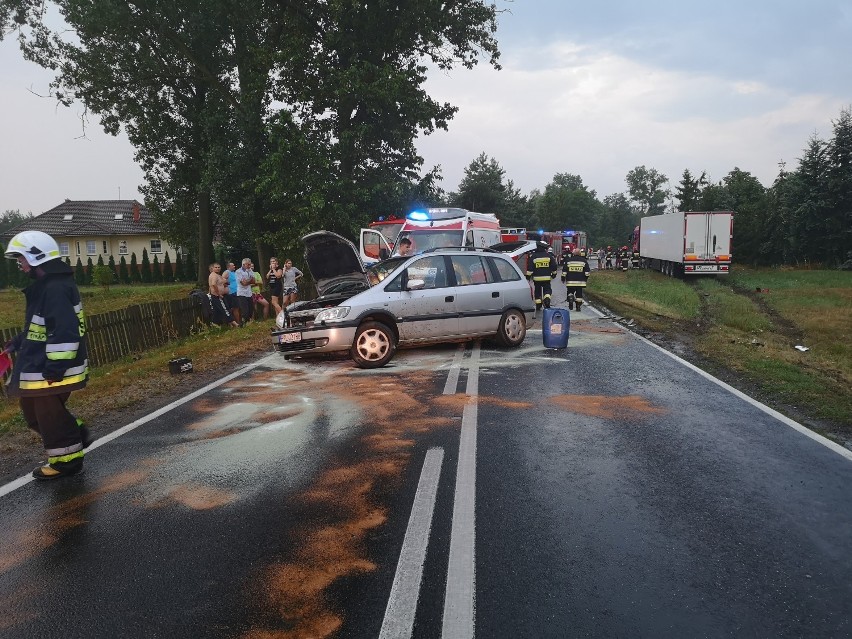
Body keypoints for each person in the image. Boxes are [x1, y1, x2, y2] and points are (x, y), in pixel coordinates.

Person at [3, 231, 92, 479]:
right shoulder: (47, 287)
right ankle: (75, 432)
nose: (19, 264)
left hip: (50, 370)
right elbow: (40, 327)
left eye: (20, 258)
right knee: (33, 413)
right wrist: (18, 342)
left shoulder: (54, 288)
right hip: (40, 366)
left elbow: (65, 331)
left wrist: (55, 368)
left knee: (48, 417)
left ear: (35, 256)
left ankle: (67, 463)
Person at [526, 242, 557, 311]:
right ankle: (547, 299)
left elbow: (530, 268)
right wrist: (554, 273)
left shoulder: (533, 256)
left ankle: (538, 305)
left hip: (537, 279)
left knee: (537, 291)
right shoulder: (548, 256)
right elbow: (554, 266)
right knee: (547, 290)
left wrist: (528, 277)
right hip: (547, 278)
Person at [207, 263, 239, 327]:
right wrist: (219, 294)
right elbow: (213, 284)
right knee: (225, 309)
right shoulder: (213, 275)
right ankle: (236, 324)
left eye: (219, 267)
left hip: (221, 295)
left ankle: (215, 324)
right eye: (216, 267)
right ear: (212, 268)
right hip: (217, 296)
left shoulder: (218, 275)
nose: (217, 268)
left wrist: (226, 283)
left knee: (217, 311)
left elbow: (224, 281)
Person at [235, 258, 256, 324]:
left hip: (249, 292)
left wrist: (248, 281)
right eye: (248, 264)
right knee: (245, 310)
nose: (249, 266)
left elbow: (254, 281)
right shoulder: (238, 272)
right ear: (243, 264)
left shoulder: (250, 271)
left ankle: (248, 322)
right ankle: (243, 324)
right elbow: (243, 283)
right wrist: (250, 280)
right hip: (241, 293)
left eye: (250, 264)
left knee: (251, 309)